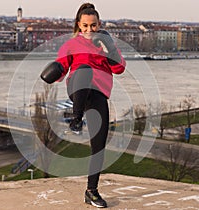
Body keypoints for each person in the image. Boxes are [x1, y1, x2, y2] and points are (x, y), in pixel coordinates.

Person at [41, 3, 126, 208]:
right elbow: (61, 70)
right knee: (85, 70)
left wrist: (110, 48)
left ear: (99, 24)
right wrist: (53, 72)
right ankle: (76, 118)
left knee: (99, 145)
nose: (89, 30)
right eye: (85, 26)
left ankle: (91, 191)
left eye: (93, 25)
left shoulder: (105, 43)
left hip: (98, 95)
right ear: (79, 25)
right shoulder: (71, 45)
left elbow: (119, 68)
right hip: (78, 90)